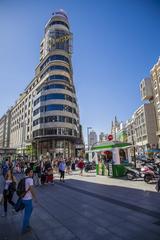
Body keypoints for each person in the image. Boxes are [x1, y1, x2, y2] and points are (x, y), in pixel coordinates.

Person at [21, 168, 37, 234]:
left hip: (23, 198)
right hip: (28, 199)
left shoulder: (24, 178)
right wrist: (35, 197)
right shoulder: (30, 179)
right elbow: (31, 189)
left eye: (32, 172)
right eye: (31, 172)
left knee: (30, 210)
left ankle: (27, 225)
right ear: (28, 173)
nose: (32, 173)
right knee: (27, 215)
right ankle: (24, 229)